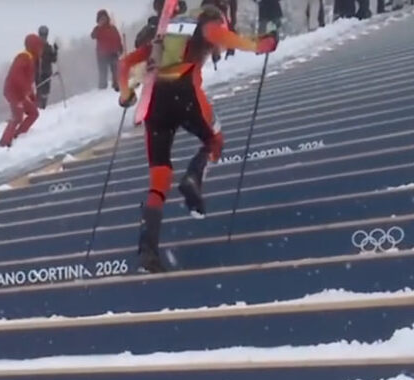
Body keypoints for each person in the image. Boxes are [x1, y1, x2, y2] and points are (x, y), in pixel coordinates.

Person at [117, 0, 276, 273]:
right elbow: (223, 37)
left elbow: (125, 63)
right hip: (186, 92)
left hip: (155, 102)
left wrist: (125, 94)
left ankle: (147, 253)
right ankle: (193, 178)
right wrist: (262, 45)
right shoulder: (206, 23)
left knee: (159, 179)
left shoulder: (166, 32)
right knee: (215, 140)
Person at [0, 33, 43, 148]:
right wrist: (26, 91)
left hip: (21, 93)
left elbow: (27, 81)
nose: (41, 51)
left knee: (33, 113)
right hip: (13, 92)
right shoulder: (23, 57)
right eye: (39, 47)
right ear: (34, 47)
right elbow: (16, 76)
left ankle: (18, 136)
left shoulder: (31, 59)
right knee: (17, 116)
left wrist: (32, 96)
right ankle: (3, 142)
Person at [91, 10, 124, 91]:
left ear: (107, 18)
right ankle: (102, 86)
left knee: (115, 69)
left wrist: (120, 48)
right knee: (103, 71)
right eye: (101, 19)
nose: (103, 20)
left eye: (104, 18)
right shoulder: (98, 29)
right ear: (98, 20)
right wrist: (98, 27)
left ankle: (116, 83)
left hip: (113, 52)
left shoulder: (112, 28)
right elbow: (93, 36)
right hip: (102, 54)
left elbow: (118, 38)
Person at [35, 25, 59, 110]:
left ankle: (43, 107)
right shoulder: (35, 47)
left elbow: (54, 60)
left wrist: (55, 51)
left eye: (45, 35)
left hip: (47, 73)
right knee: (39, 91)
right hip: (38, 73)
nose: (43, 37)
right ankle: (38, 107)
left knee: (45, 91)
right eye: (42, 35)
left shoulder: (49, 48)